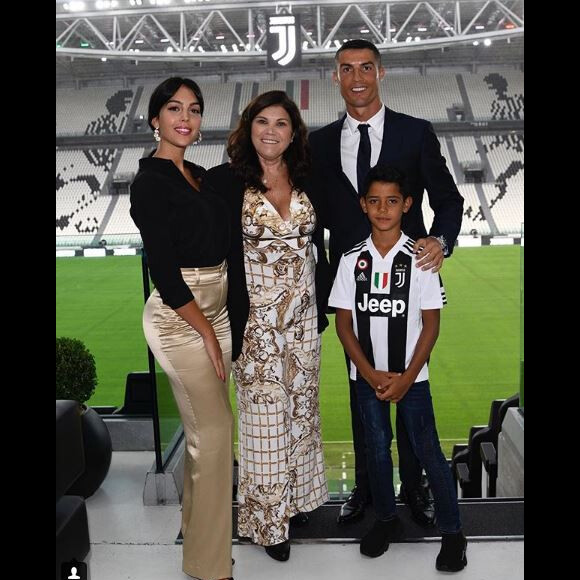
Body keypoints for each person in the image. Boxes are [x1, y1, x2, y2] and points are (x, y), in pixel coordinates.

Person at [308, 39, 464, 525]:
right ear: (335, 77)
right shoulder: (316, 143)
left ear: (381, 73)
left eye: (366, 68)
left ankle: (415, 486)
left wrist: (440, 240)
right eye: (346, 69)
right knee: (362, 386)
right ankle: (370, 490)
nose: (357, 77)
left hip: (407, 278)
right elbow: (311, 217)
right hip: (351, 281)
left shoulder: (415, 132)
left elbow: (450, 199)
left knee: (413, 387)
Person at [202, 90, 331, 563]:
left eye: (281, 123)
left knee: (300, 415)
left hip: (303, 323)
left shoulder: (307, 178)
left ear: (293, 132)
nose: (271, 131)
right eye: (262, 122)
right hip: (255, 326)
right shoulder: (224, 181)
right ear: (248, 127)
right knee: (262, 424)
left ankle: (295, 503)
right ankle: (267, 523)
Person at [329, 164, 467, 571]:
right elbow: (343, 322)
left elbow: (431, 325)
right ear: (363, 205)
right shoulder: (352, 260)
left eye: (392, 201)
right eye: (375, 201)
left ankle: (453, 533)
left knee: (428, 453)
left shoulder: (421, 259)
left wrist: (406, 378)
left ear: (406, 204)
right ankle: (387, 520)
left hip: (413, 380)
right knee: (375, 451)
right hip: (366, 378)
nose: (383, 209)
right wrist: (370, 374)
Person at [129, 77, 234, 580]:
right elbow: (165, 274)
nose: (185, 118)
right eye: (174, 108)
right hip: (180, 317)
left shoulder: (199, 173)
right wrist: (208, 332)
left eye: (194, 109)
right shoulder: (149, 180)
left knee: (203, 438)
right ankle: (212, 567)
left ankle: (201, 549)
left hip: (218, 307)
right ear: (155, 118)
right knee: (214, 435)